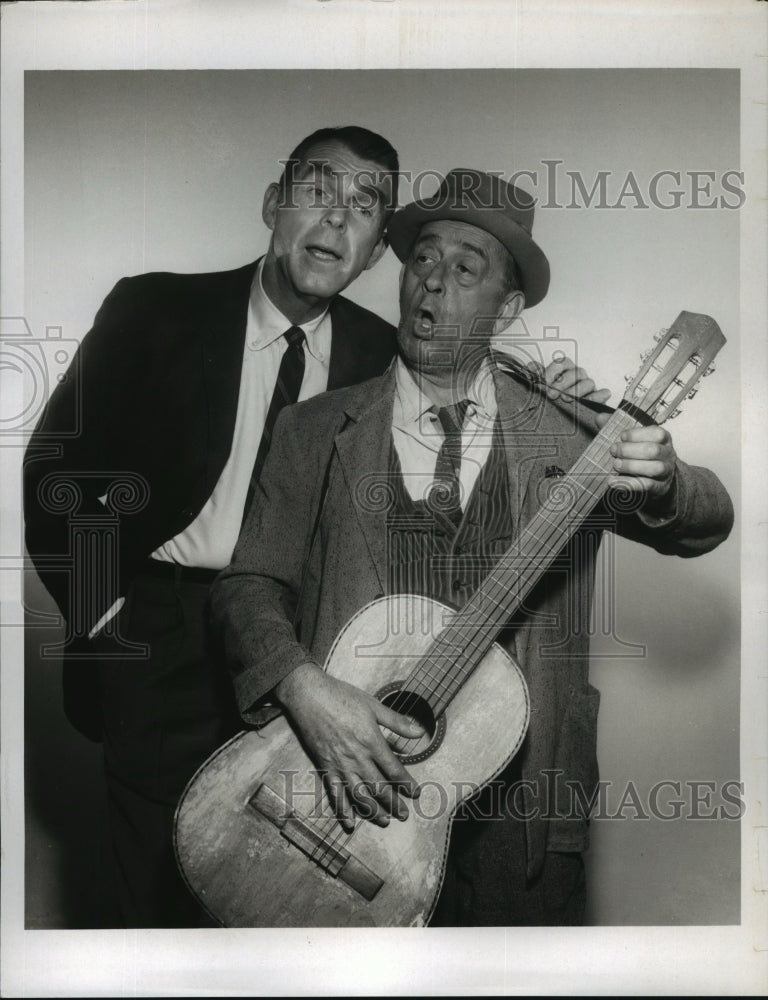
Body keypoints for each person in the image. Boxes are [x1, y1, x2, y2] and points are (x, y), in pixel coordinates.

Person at [210, 168, 735, 926]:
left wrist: (661, 477)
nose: (432, 286)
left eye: (466, 269)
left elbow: (705, 519)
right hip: (349, 797)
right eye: (422, 260)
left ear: (509, 305)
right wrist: (302, 690)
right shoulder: (315, 428)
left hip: (523, 815)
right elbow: (247, 587)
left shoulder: (571, 434)